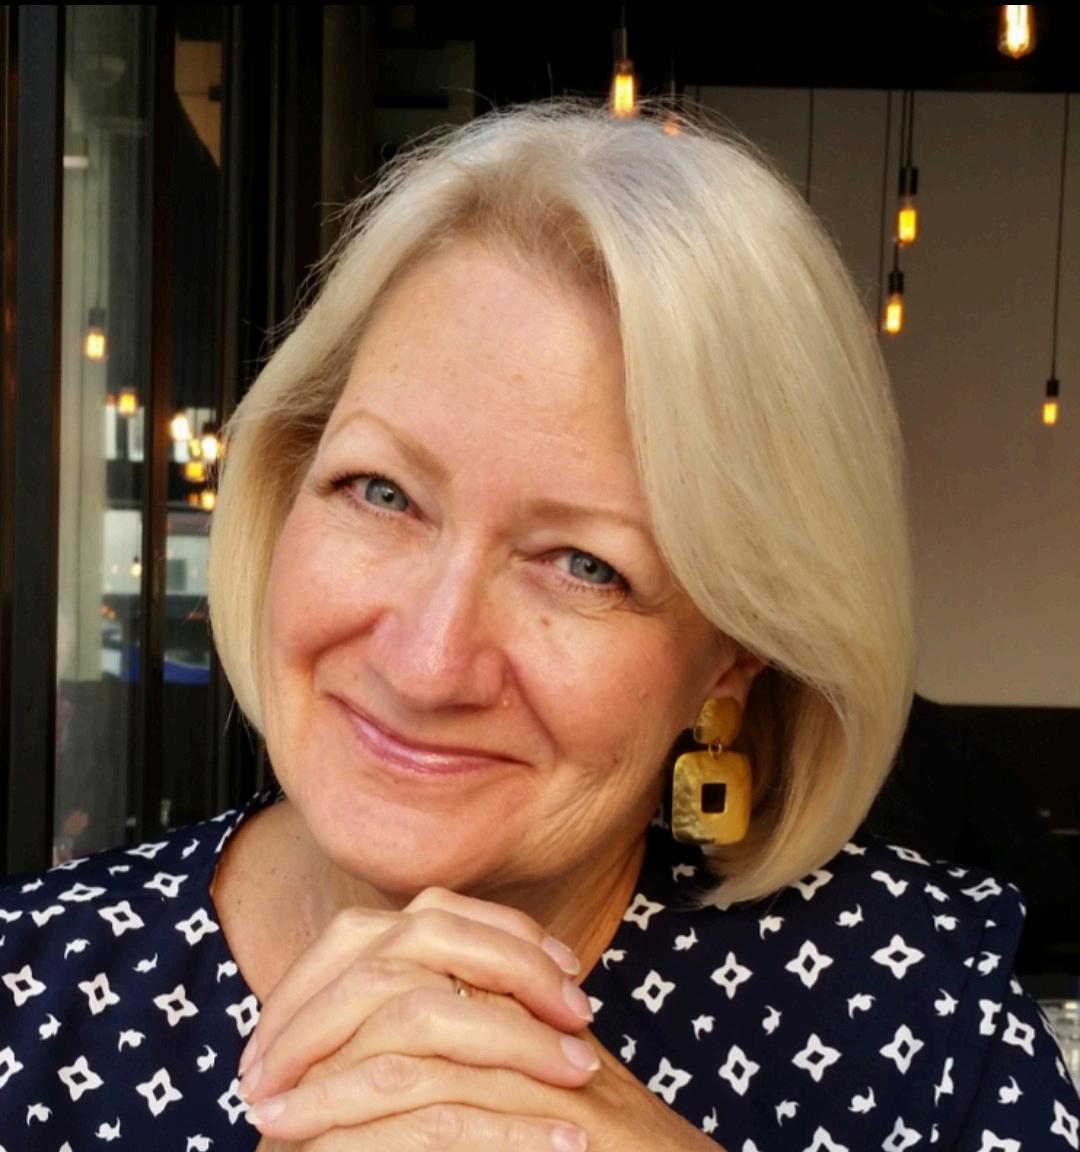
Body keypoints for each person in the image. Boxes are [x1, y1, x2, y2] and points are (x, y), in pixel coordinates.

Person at [2, 102, 1078, 1151]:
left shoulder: (921, 1028)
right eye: (381, 492)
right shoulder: (30, 993)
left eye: (585, 566)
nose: (428, 664)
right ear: (288, 485)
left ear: (735, 650)